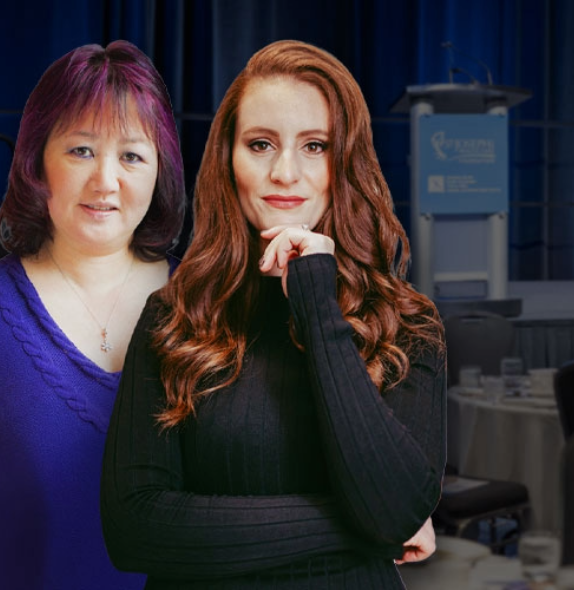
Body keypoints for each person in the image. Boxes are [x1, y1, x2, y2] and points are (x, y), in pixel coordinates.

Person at [100, 40, 446, 588]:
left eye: (315, 146)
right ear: (228, 160)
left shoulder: (407, 323)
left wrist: (316, 302)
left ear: (346, 163)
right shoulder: (173, 316)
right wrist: (363, 528)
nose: (285, 172)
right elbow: (134, 528)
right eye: (260, 144)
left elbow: (394, 507)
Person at [0, 41, 185, 589]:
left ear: (159, 174)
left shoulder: (208, 303)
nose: (106, 181)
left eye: (132, 155)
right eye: (81, 150)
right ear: (37, 160)